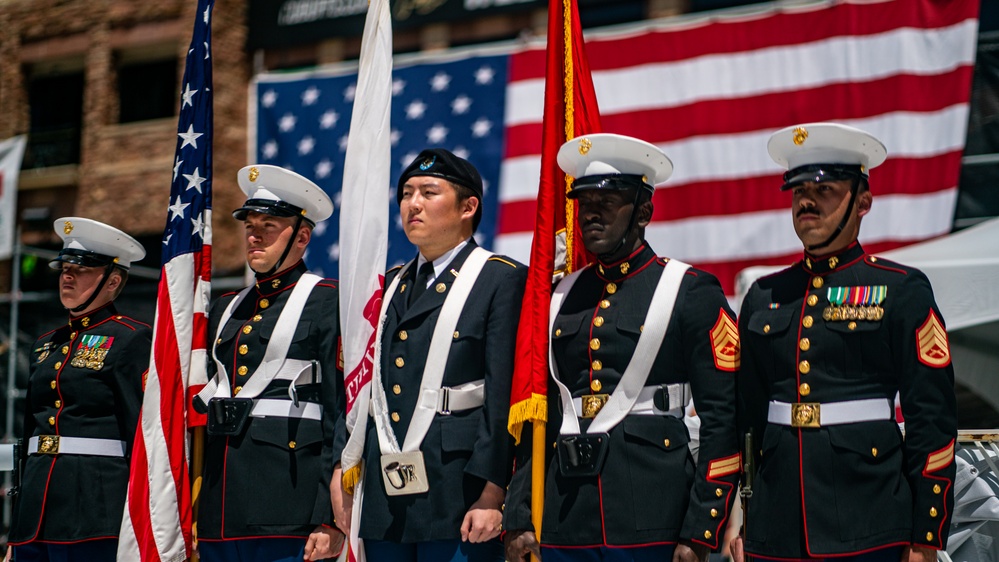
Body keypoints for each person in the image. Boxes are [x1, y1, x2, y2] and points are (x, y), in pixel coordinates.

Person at [504, 133, 742, 562]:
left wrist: (701, 530)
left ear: (644, 211)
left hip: (653, 518)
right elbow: (541, 414)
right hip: (565, 518)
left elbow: (722, 421)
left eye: (608, 201)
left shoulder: (689, 291)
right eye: (584, 201)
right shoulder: (559, 296)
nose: (591, 213)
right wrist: (519, 514)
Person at [734, 123, 958, 562]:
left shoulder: (901, 289)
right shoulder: (764, 296)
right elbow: (746, 425)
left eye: (826, 189)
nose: (807, 201)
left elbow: (931, 420)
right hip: (776, 530)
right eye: (798, 191)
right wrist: (740, 521)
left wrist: (926, 537)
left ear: (863, 202)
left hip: (870, 525)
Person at [333, 148, 526, 562]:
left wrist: (493, 492)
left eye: (428, 192)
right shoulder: (388, 287)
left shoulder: (499, 279)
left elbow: (502, 396)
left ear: (468, 207)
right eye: (405, 193)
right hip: (387, 491)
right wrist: (341, 464)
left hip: (457, 490)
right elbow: (361, 385)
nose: (412, 204)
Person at [194, 165, 345, 562]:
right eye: (251, 224)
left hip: (288, 511)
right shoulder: (227, 308)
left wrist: (328, 518)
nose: (255, 235)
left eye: (270, 224)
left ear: (302, 237)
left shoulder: (329, 302)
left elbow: (339, 413)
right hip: (218, 512)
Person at [8, 218, 150, 562]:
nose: (67, 276)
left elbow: (143, 432)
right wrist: (17, 527)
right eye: (64, 268)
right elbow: (32, 432)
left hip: (93, 511)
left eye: (80, 269)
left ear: (113, 280)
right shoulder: (45, 344)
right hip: (35, 514)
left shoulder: (131, 338)